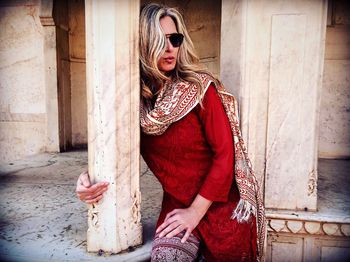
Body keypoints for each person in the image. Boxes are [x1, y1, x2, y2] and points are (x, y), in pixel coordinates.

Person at [76, 3, 266, 262]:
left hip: (223, 206)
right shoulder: (136, 104)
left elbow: (225, 157)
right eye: (159, 40)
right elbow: (113, 146)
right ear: (143, 43)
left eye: (174, 40)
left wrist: (195, 212)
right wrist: (89, 178)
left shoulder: (200, 89)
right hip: (177, 204)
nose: (170, 49)